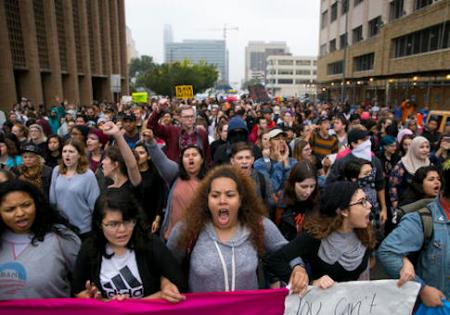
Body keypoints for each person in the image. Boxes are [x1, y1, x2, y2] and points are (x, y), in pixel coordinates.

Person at [166, 165, 291, 292]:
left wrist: (298, 268)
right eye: (215, 196)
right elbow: (166, 265)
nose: (222, 201)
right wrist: (165, 283)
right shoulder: (188, 228)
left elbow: (287, 251)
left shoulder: (258, 224)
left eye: (230, 195)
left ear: (240, 199)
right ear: (207, 200)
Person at [265, 181, 376, 293]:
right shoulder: (316, 237)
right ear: (344, 211)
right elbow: (275, 260)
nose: (369, 205)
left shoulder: (366, 232)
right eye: (362, 202)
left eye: (366, 200)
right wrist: (308, 283)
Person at [72, 193, 186, 301]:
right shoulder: (89, 248)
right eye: (113, 224)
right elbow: (78, 290)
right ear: (99, 224)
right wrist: (100, 301)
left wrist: (165, 283)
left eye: (128, 221)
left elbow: (179, 284)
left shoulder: (151, 244)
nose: (122, 230)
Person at [377, 160, 450, 307]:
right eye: (430, 179)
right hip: (439, 305)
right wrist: (421, 288)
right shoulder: (421, 219)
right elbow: (388, 252)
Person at [0, 180, 80, 299]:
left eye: (26, 205)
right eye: (10, 209)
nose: (20, 213)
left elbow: (83, 282)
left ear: (37, 204)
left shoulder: (61, 238)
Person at [145, 134, 208, 240]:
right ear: (182, 161)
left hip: (197, 241)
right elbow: (161, 161)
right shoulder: (175, 174)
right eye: (186, 156)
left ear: (202, 160)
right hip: (170, 238)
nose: (190, 157)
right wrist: (151, 142)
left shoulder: (209, 182)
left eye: (194, 155)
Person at [49, 139, 100, 238]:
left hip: (83, 229)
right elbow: (52, 200)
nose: (67, 155)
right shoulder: (57, 171)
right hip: (63, 228)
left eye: (71, 152)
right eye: (64, 151)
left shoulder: (88, 175)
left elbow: (94, 204)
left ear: (79, 155)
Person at [275, 160, 319, 241]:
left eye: (312, 186)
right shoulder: (281, 205)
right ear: (293, 184)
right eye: (303, 187)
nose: (308, 191)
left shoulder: (317, 201)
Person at [134, 132, 166, 233]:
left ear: (149, 156)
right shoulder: (130, 173)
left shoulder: (156, 174)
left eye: (142, 153)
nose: (138, 156)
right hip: (133, 219)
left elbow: (160, 198)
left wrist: (157, 219)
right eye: (135, 153)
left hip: (150, 219)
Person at [389, 136, 431, 209]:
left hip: (426, 204)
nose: (425, 150)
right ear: (414, 148)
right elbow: (393, 185)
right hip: (406, 205)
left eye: (427, 147)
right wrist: (395, 202)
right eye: (421, 147)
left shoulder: (429, 163)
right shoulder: (402, 165)